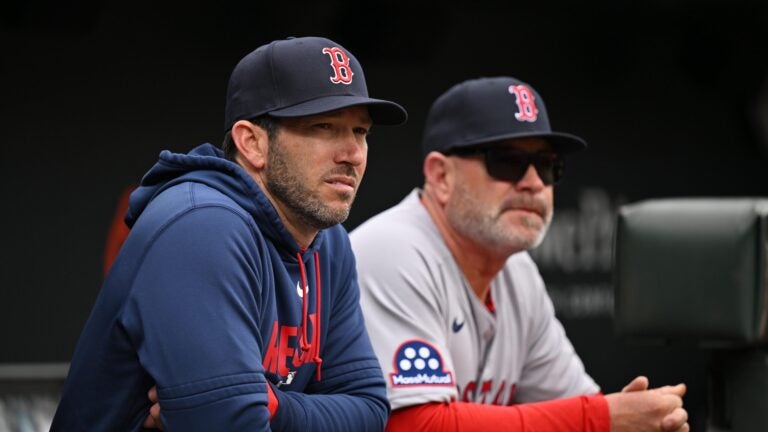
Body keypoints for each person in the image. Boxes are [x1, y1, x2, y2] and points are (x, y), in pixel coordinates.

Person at [50, 36, 407, 431]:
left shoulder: (328, 241)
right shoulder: (200, 227)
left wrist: (273, 407)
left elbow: (370, 409)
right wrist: (270, 409)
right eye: (323, 127)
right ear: (252, 143)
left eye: (360, 131)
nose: (352, 153)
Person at [350, 77, 689, 431]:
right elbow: (415, 425)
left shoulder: (517, 272)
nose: (533, 182)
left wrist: (638, 421)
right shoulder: (394, 249)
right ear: (441, 175)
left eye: (546, 165)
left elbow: (571, 405)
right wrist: (603, 418)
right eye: (507, 161)